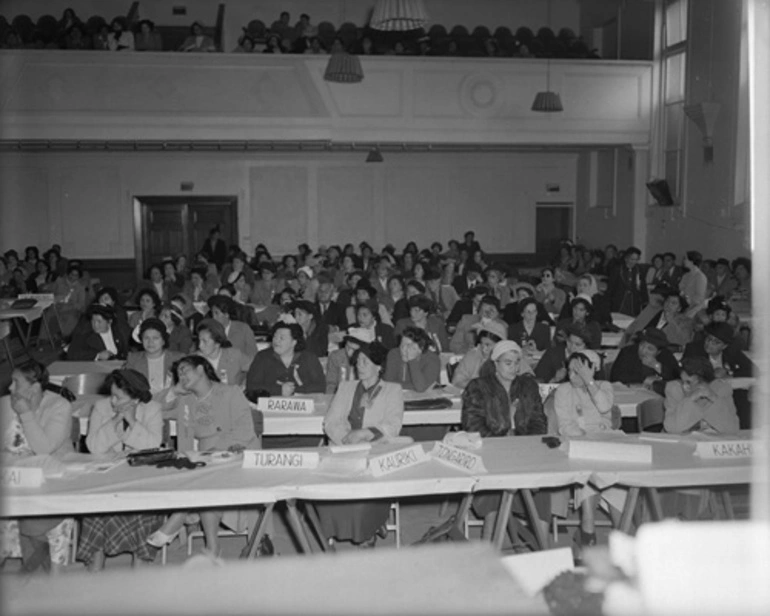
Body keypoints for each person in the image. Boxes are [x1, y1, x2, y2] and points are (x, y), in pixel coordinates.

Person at [147, 356, 260, 556]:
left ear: (200, 369)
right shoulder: (186, 399)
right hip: (202, 458)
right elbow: (151, 409)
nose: (181, 376)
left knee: (207, 476)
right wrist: (173, 391)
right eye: (178, 373)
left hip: (236, 453)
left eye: (185, 370)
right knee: (204, 476)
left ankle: (178, 518)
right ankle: (212, 546)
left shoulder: (230, 393)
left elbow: (244, 432)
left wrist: (215, 452)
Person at [317, 341, 404, 547]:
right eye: (358, 362)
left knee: (366, 484)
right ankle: (335, 529)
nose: (360, 366)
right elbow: (330, 422)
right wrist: (348, 441)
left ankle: (370, 528)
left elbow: (393, 426)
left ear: (379, 366)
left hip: (375, 451)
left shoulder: (393, 390)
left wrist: (365, 434)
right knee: (330, 484)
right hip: (343, 448)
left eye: (366, 361)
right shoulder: (346, 387)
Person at [78, 370, 164, 571]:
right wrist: (115, 421)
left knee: (143, 508)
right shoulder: (101, 407)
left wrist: (133, 421)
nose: (113, 401)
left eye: (119, 396)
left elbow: (153, 444)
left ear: (134, 397)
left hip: (142, 476)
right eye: (112, 395)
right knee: (96, 508)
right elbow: (94, 446)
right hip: (108, 475)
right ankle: (95, 569)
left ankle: (140, 567)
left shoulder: (152, 408)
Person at [460, 341, 546, 538]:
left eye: (517, 362)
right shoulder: (478, 387)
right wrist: (505, 434)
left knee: (543, 488)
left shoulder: (528, 386)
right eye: (508, 362)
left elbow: (539, 421)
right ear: (495, 363)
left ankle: (541, 549)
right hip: (491, 453)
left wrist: (521, 442)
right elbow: (473, 427)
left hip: (525, 452)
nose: (514, 368)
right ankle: (490, 543)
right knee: (495, 492)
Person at [0, 361, 74, 573]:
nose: (10, 388)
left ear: (34, 388)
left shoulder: (59, 406)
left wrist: (25, 414)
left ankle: (45, 570)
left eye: (15, 383)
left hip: (52, 479)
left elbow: (44, 449)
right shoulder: (5, 404)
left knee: (46, 512)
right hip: (13, 477)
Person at [553, 350, 617, 549]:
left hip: (606, 444)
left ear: (591, 370)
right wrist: (588, 437)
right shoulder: (563, 390)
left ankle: (621, 530)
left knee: (618, 475)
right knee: (587, 469)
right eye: (570, 370)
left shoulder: (604, 387)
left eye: (578, 371)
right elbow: (565, 425)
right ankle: (588, 529)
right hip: (578, 443)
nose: (572, 376)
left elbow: (605, 408)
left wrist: (590, 383)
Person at [663, 356, 739, 435]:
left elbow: (732, 429)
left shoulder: (721, 389)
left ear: (707, 383)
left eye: (689, 382)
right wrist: (691, 399)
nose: (684, 386)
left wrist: (714, 398)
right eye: (682, 381)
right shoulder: (674, 388)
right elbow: (672, 428)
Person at [245, 322, 325, 396]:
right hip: (270, 406)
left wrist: (294, 390)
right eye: (275, 337)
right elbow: (251, 386)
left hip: (303, 406)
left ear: (294, 342)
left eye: (281, 338)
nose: (276, 341)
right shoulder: (262, 357)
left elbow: (321, 386)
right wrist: (279, 390)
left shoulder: (309, 358)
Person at [123, 319, 183, 398]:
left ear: (163, 341)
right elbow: (128, 389)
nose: (150, 342)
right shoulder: (133, 359)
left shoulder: (178, 359)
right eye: (146, 338)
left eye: (155, 338)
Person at [610, 329, 679, 395]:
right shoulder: (627, 352)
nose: (643, 351)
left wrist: (657, 366)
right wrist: (644, 380)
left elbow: (676, 379)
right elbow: (616, 377)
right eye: (642, 345)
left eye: (650, 349)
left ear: (658, 352)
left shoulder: (666, 356)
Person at [621, 291, 693, 349]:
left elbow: (683, 341)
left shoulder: (685, 321)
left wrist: (671, 322)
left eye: (673, 303)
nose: (668, 305)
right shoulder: (651, 312)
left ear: (679, 308)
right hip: (635, 347)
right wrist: (623, 347)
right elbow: (631, 329)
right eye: (667, 301)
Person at [195, 318, 251, 386]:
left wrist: (244, 385)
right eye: (199, 340)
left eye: (205, 341)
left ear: (217, 343)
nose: (200, 346)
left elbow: (256, 368)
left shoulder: (234, 355)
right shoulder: (194, 360)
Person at [451, 320, 507, 388]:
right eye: (481, 343)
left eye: (488, 345)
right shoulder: (472, 355)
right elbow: (457, 381)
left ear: (500, 345)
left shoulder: (509, 360)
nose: (484, 349)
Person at [383, 326, 440, 393]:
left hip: (427, 399)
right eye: (401, 345)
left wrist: (412, 361)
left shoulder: (432, 359)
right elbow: (389, 383)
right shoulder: (394, 354)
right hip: (397, 395)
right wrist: (412, 386)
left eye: (409, 346)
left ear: (420, 349)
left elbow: (420, 388)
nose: (403, 350)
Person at [326, 328, 375, 394]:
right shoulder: (336, 356)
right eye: (348, 347)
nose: (349, 352)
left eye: (354, 350)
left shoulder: (371, 361)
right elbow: (331, 384)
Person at [208, 295, 257, 359]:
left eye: (217, 313)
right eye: (212, 313)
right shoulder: (209, 331)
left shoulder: (243, 329)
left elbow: (253, 355)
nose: (214, 317)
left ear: (226, 314)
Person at [608, 247, 648, 316]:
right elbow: (611, 287)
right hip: (620, 301)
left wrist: (645, 301)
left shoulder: (639, 270)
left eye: (636, 259)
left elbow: (643, 287)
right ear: (626, 258)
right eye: (632, 259)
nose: (634, 262)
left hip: (633, 302)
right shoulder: (618, 269)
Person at [52, 263, 87, 338]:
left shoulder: (81, 288)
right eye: (71, 274)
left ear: (79, 277)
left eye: (76, 275)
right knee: (49, 315)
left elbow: (81, 305)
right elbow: (51, 294)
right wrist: (57, 299)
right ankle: (46, 338)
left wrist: (73, 304)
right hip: (56, 306)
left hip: (72, 309)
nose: (72, 277)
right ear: (68, 274)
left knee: (71, 317)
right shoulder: (59, 281)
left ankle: (65, 337)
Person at [678, 251, 708, 317]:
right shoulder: (686, 275)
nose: (684, 261)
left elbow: (699, 297)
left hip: (693, 308)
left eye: (685, 259)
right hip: (683, 304)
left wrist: (687, 300)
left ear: (692, 261)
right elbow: (680, 288)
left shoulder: (700, 276)